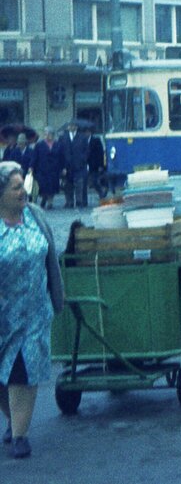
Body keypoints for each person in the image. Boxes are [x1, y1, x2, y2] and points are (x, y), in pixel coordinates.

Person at [0, 160, 65, 460]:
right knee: (4, 375)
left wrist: (56, 296)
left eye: (22, 186)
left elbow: (51, 256)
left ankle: (20, 434)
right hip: (3, 314)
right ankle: (14, 419)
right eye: (15, 188)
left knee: (23, 372)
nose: (22, 193)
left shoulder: (35, 216)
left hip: (36, 312)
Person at [58, 121, 89, 209]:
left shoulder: (82, 137)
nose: (71, 127)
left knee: (79, 184)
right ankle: (69, 201)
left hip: (79, 165)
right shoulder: (63, 138)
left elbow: (86, 151)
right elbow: (60, 153)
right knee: (68, 185)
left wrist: (83, 160)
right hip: (67, 166)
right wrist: (63, 166)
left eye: (73, 126)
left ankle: (79, 201)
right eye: (69, 126)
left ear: (76, 127)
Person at [31, 128, 60, 210]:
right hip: (42, 170)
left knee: (52, 187)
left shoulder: (57, 144)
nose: (47, 136)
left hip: (54, 170)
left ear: (53, 135)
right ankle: (44, 198)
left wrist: (63, 168)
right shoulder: (39, 145)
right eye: (46, 134)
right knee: (43, 186)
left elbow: (61, 157)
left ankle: (50, 202)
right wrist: (31, 167)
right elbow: (34, 157)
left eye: (49, 134)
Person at [85, 128, 107, 200]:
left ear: (90, 132)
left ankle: (102, 192)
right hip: (87, 164)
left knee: (95, 180)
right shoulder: (83, 141)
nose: (86, 134)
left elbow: (100, 153)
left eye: (87, 132)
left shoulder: (96, 140)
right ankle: (101, 191)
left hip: (96, 164)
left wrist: (101, 165)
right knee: (91, 181)